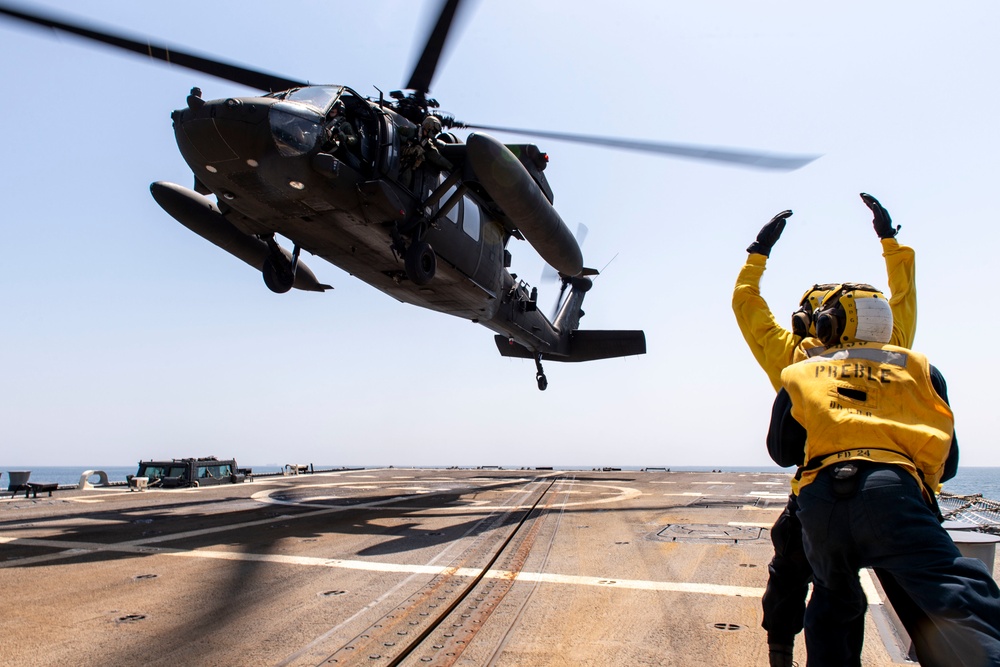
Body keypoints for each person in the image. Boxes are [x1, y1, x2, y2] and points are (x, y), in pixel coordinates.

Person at [733, 194, 922, 667]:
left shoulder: (797, 358)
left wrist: (759, 252)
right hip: (894, 491)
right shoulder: (895, 351)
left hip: (817, 492)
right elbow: (905, 300)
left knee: (791, 573)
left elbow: (746, 304)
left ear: (815, 322)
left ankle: (780, 656)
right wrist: (890, 240)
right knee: (895, 587)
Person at [769, 284, 1000, 666]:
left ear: (828, 325)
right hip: (894, 495)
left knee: (832, 605)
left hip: (821, 503)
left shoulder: (799, 373)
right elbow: (950, 464)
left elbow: (782, 453)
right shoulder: (920, 368)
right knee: (959, 597)